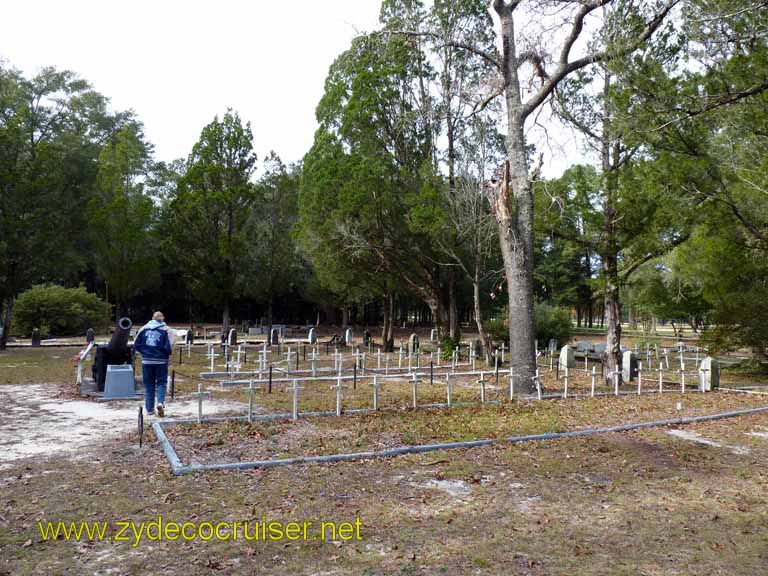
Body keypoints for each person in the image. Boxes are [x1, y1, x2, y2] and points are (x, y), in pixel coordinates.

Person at [133, 311, 175, 416]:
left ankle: (149, 409)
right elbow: (171, 344)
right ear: (162, 319)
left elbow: (136, 343)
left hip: (146, 360)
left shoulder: (144, 328)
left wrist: (143, 352)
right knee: (161, 383)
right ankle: (160, 402)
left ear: (152, 318)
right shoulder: (167, 330)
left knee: (148, 385)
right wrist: (165, 353)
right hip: (161, 360)